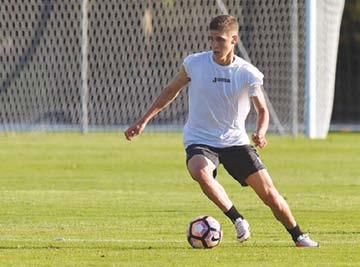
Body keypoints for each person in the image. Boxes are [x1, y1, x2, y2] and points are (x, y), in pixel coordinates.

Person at [124, 15, 318, 247]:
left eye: (220, 40)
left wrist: (261, 132)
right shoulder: (194, 63)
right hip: (200, 139)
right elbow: (170, 91)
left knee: (270, 195)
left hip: (235, 141)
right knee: (200, 172)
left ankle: (298, 236)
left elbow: (262, 111)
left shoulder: (248, 73)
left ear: (234, 39)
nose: (214, 45)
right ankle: (237, 219)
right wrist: (144, 120)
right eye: (212, 39)